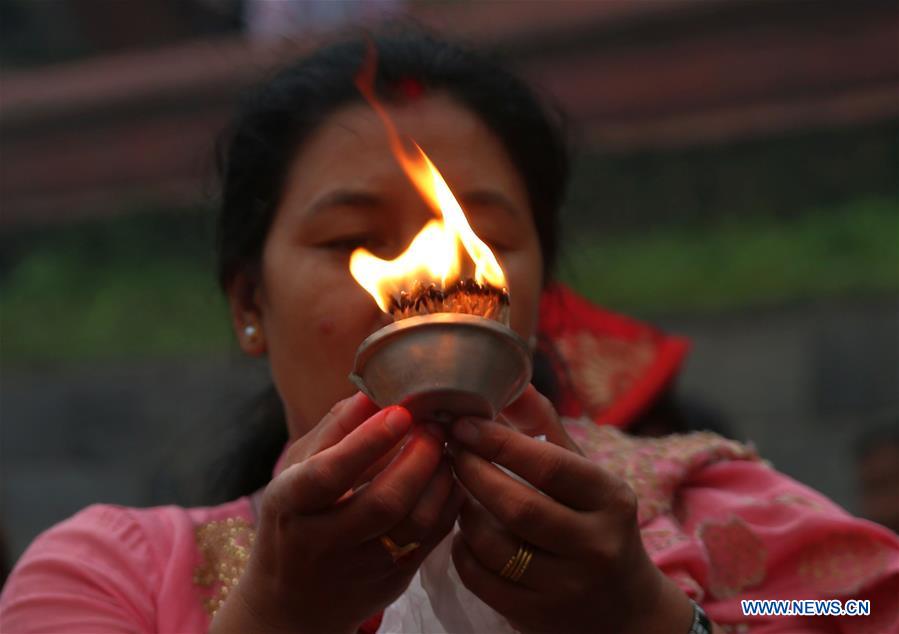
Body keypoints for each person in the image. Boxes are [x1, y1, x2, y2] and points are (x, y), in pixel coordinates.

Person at [2, 30, 898, 634]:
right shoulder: (112, 577)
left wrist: (653, 618)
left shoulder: (717, 515)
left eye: (484, 239)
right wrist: (276, 614)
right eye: (355, 240)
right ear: (248, 303)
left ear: (541, 295)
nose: (430, 284)